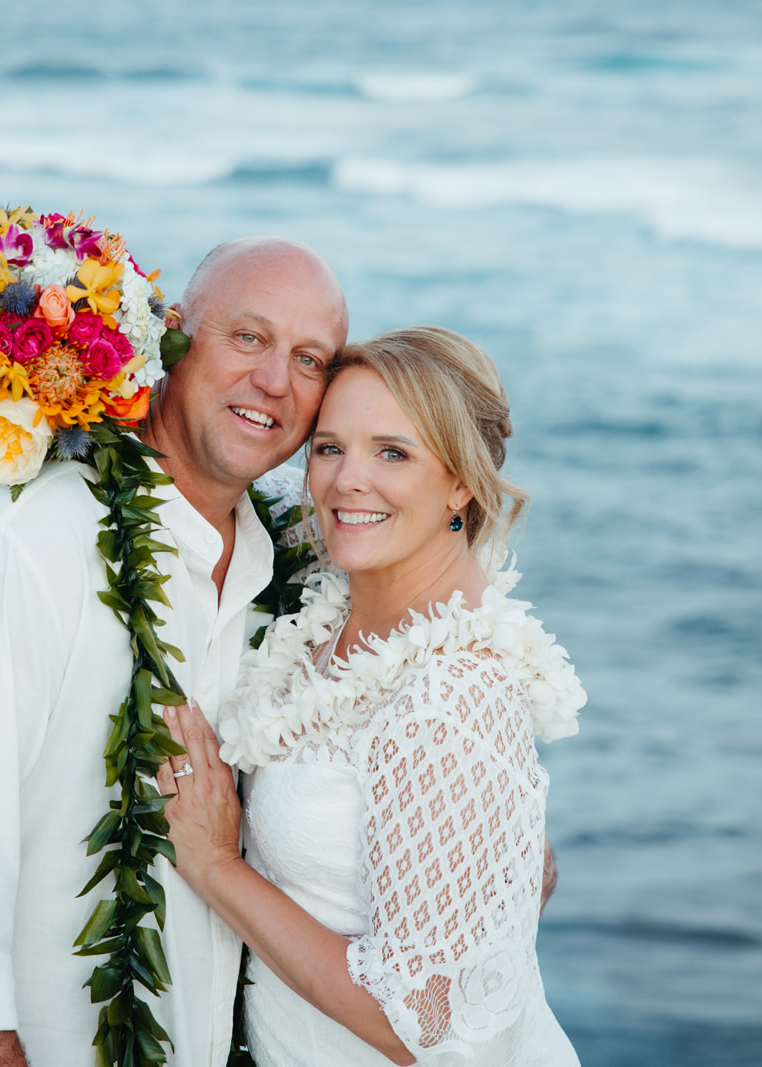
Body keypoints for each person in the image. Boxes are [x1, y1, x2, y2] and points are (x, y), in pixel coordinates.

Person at [0, 236, 350, 1067]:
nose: (276, 380)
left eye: (310, 359)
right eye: (248, 336)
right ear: (173, 335)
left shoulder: (291, 581)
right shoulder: (16, 544)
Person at [155, 326, 587, 1066]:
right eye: (329, 448)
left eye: (393, 453)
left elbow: (423, 1021)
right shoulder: (331, 614)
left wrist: (212, 863)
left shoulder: (450, 695)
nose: (347, 480)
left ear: (460, 482)